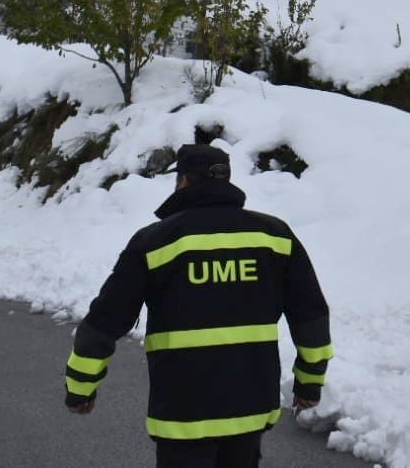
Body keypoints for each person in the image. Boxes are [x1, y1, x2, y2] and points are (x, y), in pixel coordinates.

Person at [64, 144, 331, 467]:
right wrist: (310, 383)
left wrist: (81, 387)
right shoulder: (274, 236)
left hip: (183, 413)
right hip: (250, 407)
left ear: (184, 181)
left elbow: (105, 320)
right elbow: (311, 315)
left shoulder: (156, 241)